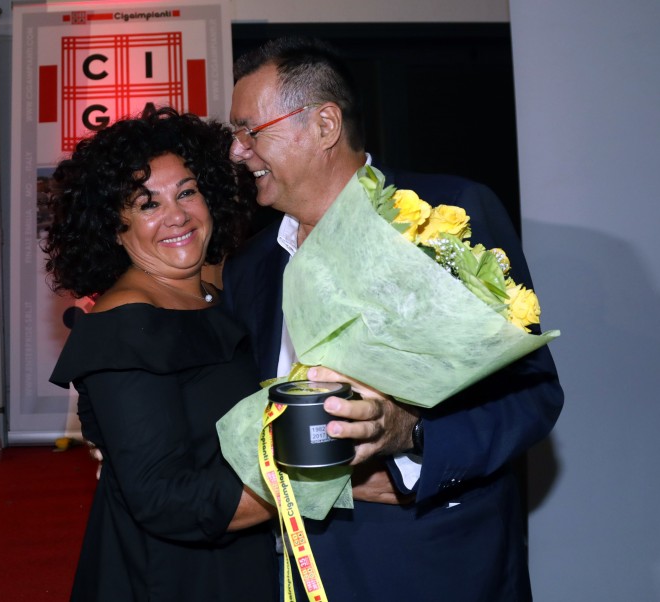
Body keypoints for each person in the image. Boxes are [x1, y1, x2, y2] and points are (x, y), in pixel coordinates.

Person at [222, 36, 564, 601]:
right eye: (234, 135)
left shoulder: (447, 214)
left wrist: (411, 435)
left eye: (249, 131)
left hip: (440, 567)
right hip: (302, 570)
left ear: (325, 125)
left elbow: (531, 396)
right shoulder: (250, 266)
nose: (238, 152)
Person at [43, 106, 278, 602]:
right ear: (114, 226)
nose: (177, 215)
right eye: (148, 204)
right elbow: (163, 497)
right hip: (174, 572)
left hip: (241, 548)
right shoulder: (126, 324)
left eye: (187, 192)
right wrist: (310, 485)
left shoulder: (217, 293)